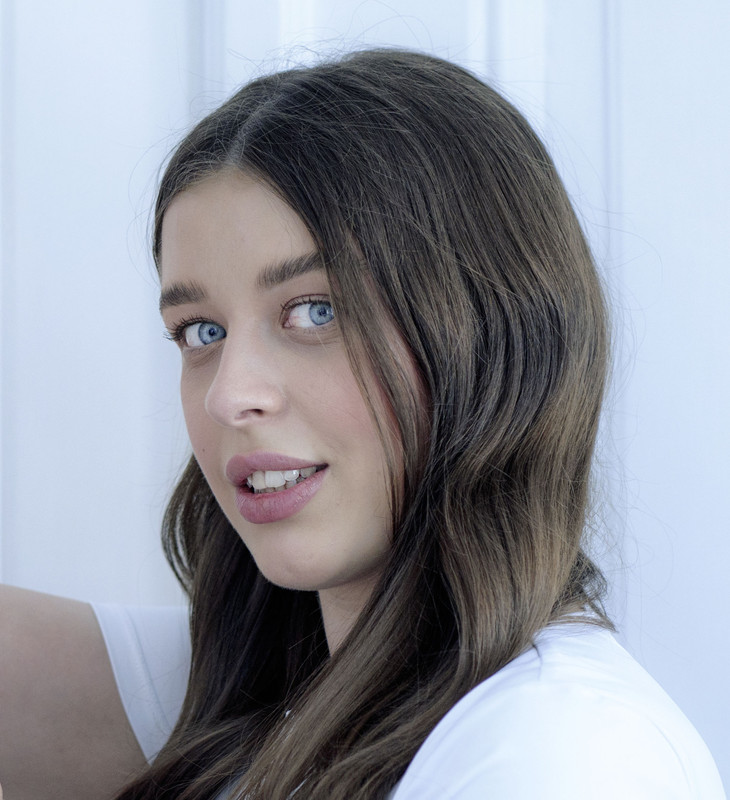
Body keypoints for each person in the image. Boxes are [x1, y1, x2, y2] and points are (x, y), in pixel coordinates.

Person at [0, 49, 725, 800]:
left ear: (489, 337)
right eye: (201, 331)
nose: (228, 395)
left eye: (316, 310)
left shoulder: (557, 755)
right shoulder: (268, 694)